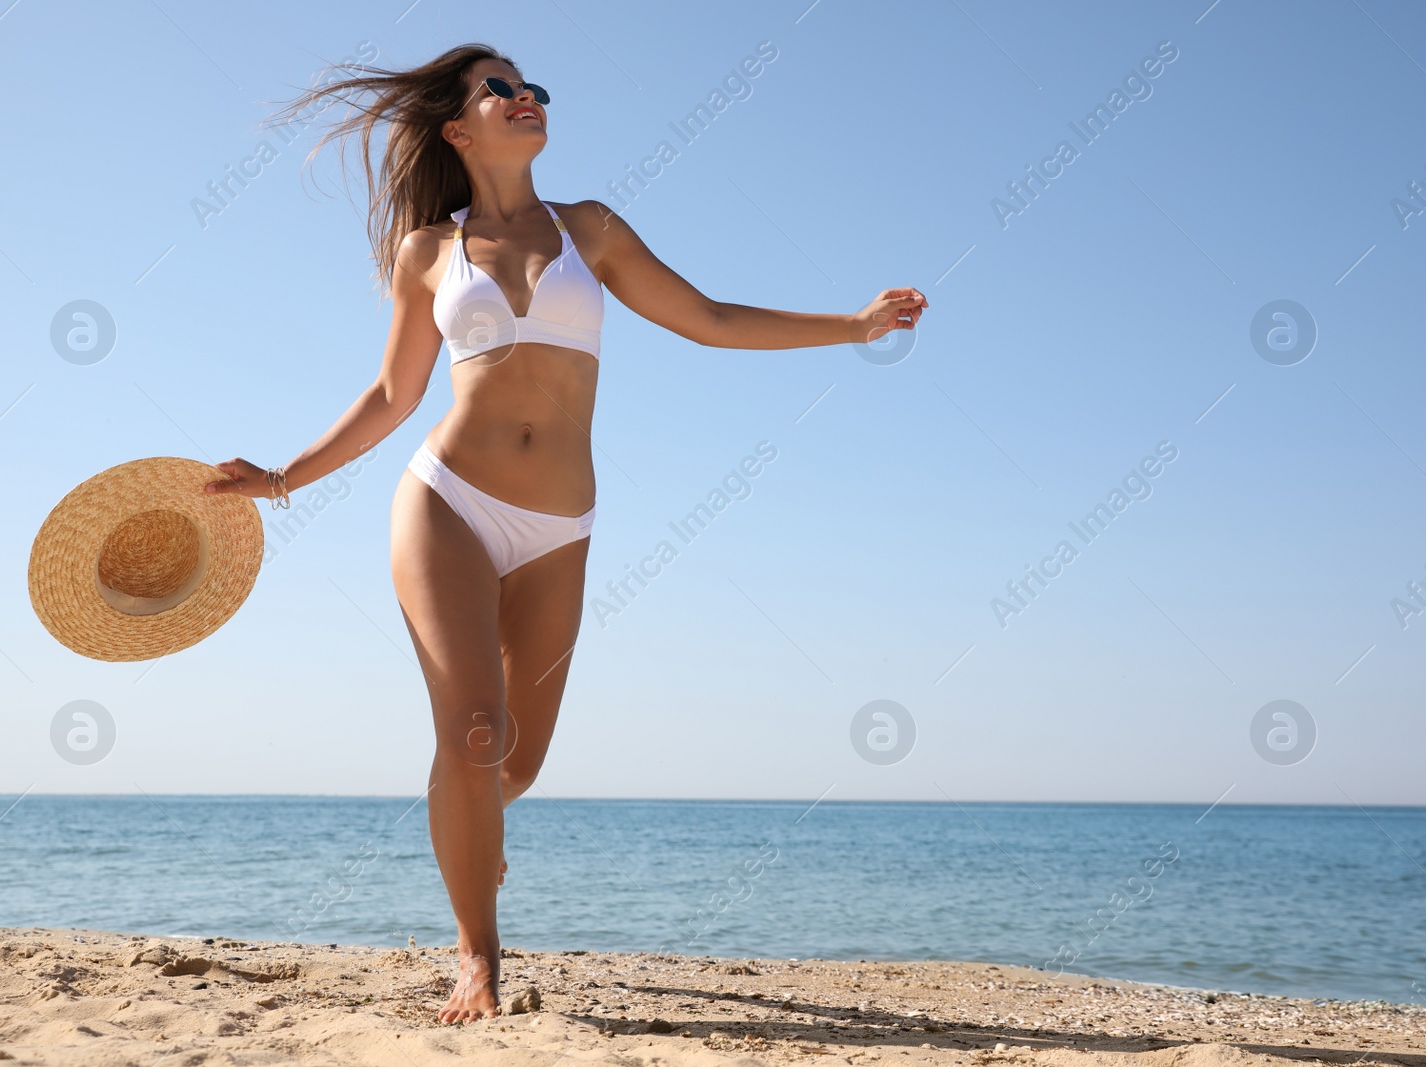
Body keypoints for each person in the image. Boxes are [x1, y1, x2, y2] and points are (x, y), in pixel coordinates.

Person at [204, 42, 927, 1023]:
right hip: (446, 501)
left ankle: (470, 824)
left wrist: (850, 325)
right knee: (470, 734)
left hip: (559, 526)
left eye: (534, 86)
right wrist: (284, 476)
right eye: (499, 88)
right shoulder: (429, 253)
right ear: (459, 129)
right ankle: (476, 957)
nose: (526, 96)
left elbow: (707, 317)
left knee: (517, 763)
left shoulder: (591, 230)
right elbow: (390, 395)